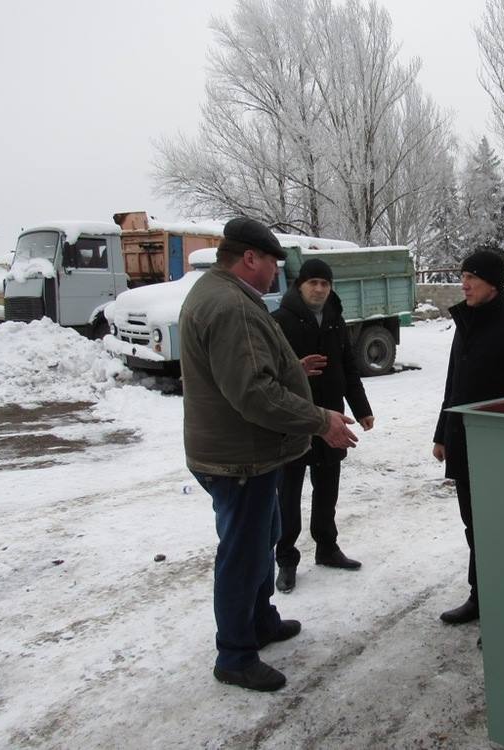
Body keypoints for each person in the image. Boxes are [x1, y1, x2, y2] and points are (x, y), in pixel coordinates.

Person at [180, 217, 358, 692]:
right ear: (250, 258)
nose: (276, 272)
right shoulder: (231, 304)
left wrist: (289, 368)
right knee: (242, 553)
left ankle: (260, 621)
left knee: (263, 537)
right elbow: (254, 394)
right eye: (272, 262)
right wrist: (321, 420)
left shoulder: (218, 293)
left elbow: (241, 371)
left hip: (242, 452)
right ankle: (235, 655)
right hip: (239, 457)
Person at [432, 250, 504, 625]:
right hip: (465, 444)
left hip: (501, 452)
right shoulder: (465, 324)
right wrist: (441, 433)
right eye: (463, 276)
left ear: (493, 284)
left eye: (472, 277)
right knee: (474, 526)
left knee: (500, 529)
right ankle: (481, 596)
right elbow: (453, 386)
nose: (463, 283)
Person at [271, 258, 375, 592]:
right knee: (288, 494)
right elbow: (266, 374)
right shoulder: (279, 322)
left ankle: (327, 548)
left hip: (333, 418)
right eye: (313, 282)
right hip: (293, 421)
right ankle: (286, 559)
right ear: (299, 285)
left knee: (327, 488)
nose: (319, 289)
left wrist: (361, 408)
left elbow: (348, 367)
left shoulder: (335, 321)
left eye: (325, 283)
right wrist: (295, 369)